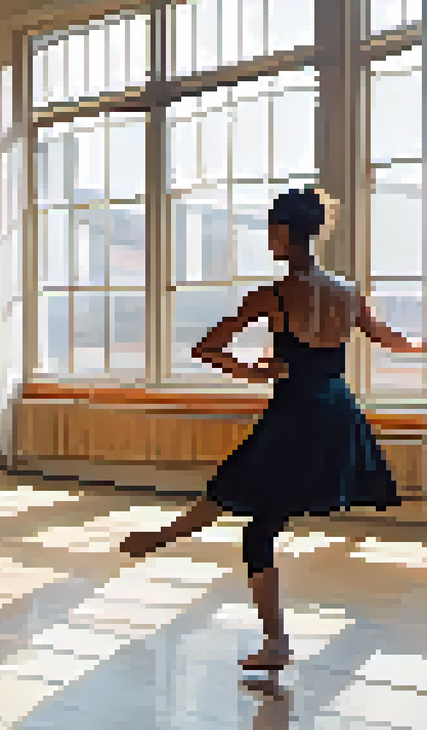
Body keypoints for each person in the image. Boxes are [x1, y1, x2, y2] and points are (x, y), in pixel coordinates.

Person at [120, 187, 421, 671]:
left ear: (283, 232)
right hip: (339, 412)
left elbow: (207, 348)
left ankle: (268, 634)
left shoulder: (273, 295)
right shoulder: (348, 292)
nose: (267, 239)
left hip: (297, 412)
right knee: (252, 506)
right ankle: (166, 539)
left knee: (244, 507)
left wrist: (252, 372)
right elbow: (396, 342)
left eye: (269, 230)